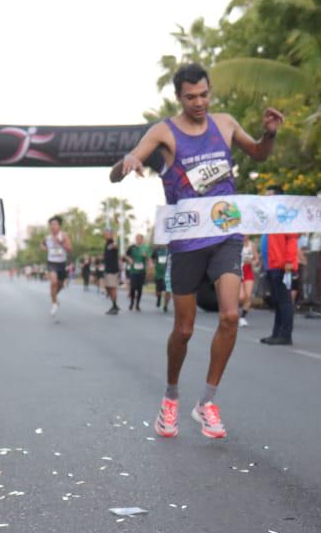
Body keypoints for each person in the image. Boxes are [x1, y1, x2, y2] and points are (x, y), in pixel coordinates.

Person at [111, 62, 283, 439]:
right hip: (186, 242)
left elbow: (258, 153)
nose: (199, 102)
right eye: (191, 97)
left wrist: (268, 135)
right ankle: (170, 398)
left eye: (204, 94)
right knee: (185, 330)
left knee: (229, 315)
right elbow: (127, 162)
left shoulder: (224, 123)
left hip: (225, 233)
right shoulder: (164, 131)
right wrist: (128, 162)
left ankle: (207, 402)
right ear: (179, 97)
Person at [261, 230, 298, 345]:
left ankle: (285, 335)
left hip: (281, 265)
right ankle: (276, 333)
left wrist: (289, 261)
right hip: (272, 265)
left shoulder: (284, 219)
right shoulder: (271, 221)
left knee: (284, 301)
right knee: (278, 302)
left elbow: (292, 239)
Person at [43, 215, 72, 318]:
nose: (53, 226)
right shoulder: (47, 237)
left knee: (60, 285)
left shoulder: (64, 235)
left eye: (55, 224)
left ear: (59, 226)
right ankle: (54, 303)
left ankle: (53, 295)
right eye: (51, 224)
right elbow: (42, 245)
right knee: (54, 282)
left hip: (62, 263)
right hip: (51, 263)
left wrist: (61, 242)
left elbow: (69, 249)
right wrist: (44, 247)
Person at [125, 233, 150, 311]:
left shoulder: (145, 247)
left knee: (139, 288)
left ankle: (137, 304)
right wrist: (130, 259)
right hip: (133, 270)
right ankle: (132, 302)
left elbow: (149, 258)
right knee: (133, 287)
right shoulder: (132, 247)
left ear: (142, 240)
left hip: (142, 271)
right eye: (137, 238)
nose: (138, 240)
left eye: (139, 238)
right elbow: (126, 255)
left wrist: (145, 256)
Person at [238, 235, 256, 327]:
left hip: (248, 271)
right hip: (239, 271)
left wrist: (253, 262)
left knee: (248, 295)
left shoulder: (252, 245)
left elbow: (256, 259)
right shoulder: (237, 244)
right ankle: (231, 310)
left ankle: (242, 317)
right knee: (241, 297)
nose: (245, 235)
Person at [102, 229, 120, 314]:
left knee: (112, 287)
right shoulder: (107, 243)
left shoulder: (112, 242)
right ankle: (114, 305)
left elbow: (116, 246)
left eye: (107, 234)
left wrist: (115, 239)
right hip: (107, 269)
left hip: (112, 270)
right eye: (105, 233)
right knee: (107, 287)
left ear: (111, 234)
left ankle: (115, 306)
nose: (105, 235)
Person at [153, 245, 170, 312]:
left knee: (168, 290)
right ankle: (159, 298)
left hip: (168, 273)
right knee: (158, 290)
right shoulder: (157, 250)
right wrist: (154, 264)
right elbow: (153, 259)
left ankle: (166, 305)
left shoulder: (171, 250)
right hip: (158, 273)